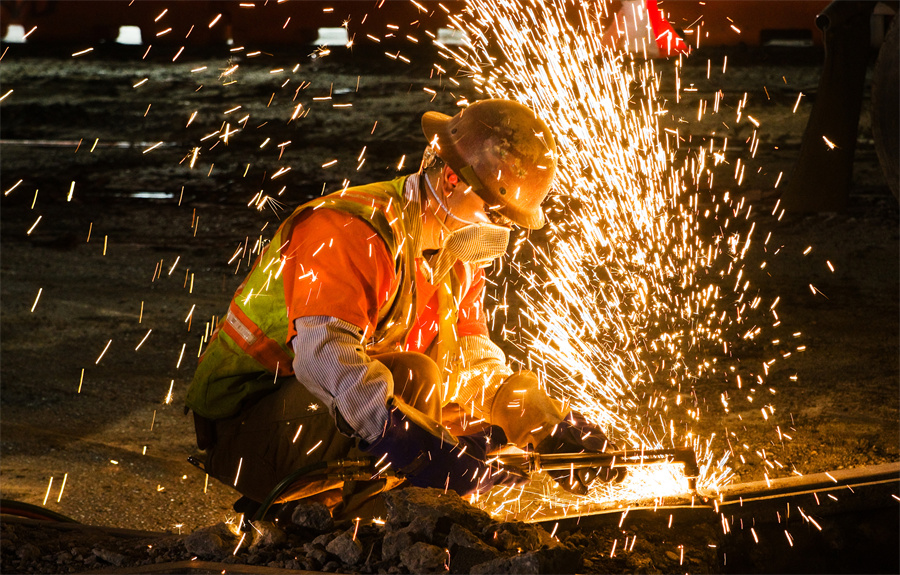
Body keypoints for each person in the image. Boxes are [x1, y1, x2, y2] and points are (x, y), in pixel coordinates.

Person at [185, 99, 621, 520]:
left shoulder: (458, 257)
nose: (499, 229)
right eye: (493, 210)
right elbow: (323, 359)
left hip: (318, 421)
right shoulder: (353, 229)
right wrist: (409, 441)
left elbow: (471, 366)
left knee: (469, 423)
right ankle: (360, 521)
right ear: (451, 177)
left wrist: (539, 422)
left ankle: (347, 507)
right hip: (249, 434)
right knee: (417, 380)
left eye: (508, 220)